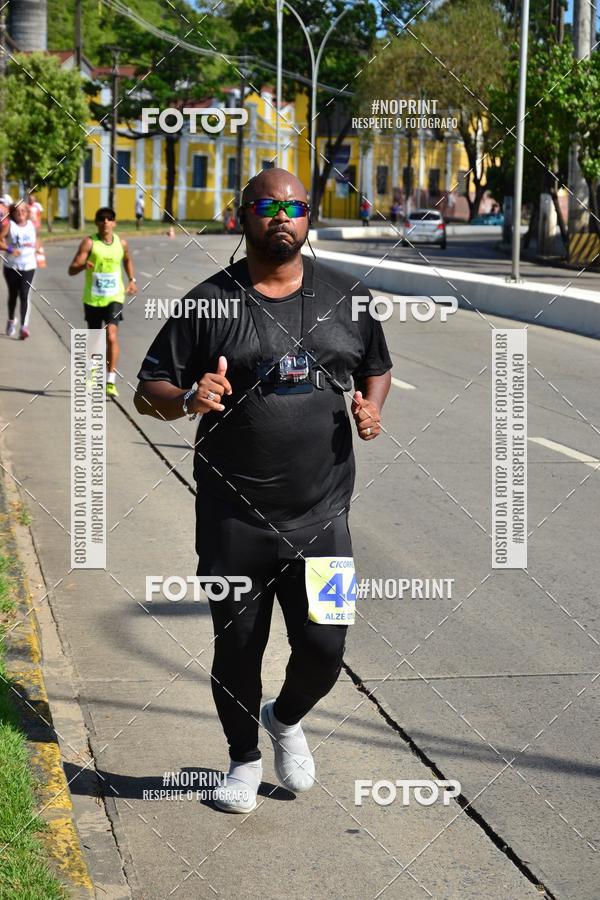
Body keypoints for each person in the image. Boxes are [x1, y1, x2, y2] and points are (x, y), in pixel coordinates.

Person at [134, 167, 392, 813]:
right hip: (233, 518)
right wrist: (189, 398)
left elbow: (377, 368)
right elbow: (148, 390)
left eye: (295, 205)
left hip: (324, 516)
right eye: (268, 205)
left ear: (309, 217)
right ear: (242, 215)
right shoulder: (206, 304)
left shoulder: (348, 297)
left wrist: (370, 406)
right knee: (239, 646)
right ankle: (243, 763)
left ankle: (286, 716)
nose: (283, 215)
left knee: (326, 648)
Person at [68, 207, 137, 397]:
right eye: (102, 219)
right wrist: (83, 265)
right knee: (94, 338)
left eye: (109, 219)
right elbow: (71, 269)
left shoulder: (121, 243)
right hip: (92, 298)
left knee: (111, 336)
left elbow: (127, 260)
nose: (105, 222)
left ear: (114, 222)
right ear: (97, 222)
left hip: (114, 297)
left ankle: (110, 380)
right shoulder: (89, 243)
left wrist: (132, 280)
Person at [0, 200, 40, 339]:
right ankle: (11, 320)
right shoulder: (10, 226)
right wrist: (10, 249)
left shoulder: (32, 225)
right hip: (11, 266)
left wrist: (37, 249)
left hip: (28, 266)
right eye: (17, 212)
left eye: (23, 211)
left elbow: (38, 239)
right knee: (13, 295)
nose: (20, 214)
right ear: (13, 213)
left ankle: (24, 326)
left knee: (24, 295)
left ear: (27, 213)